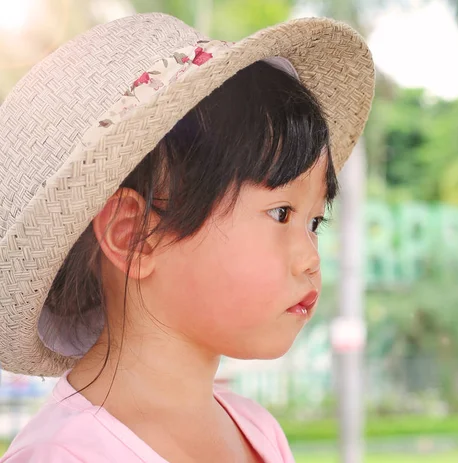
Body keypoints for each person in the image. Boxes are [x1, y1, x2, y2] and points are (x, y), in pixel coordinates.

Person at [0, 12, 374, 463]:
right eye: (281, 213)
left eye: (315, 223)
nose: (311, 259)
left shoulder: (256, 430)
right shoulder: (64, 456)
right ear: (133, 235)